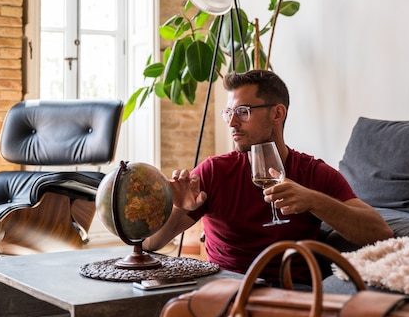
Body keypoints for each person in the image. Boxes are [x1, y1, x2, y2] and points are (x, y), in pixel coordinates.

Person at [144, 70, 393, 284]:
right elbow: (150, 243)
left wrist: (313, 201)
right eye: (228, 112)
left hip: (294, 292)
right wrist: (178, 207)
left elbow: (379, 232)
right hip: (229, 290)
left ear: (277, 114)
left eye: (242, 111)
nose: (232, 122)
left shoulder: (313, 173)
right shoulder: (214, 171)